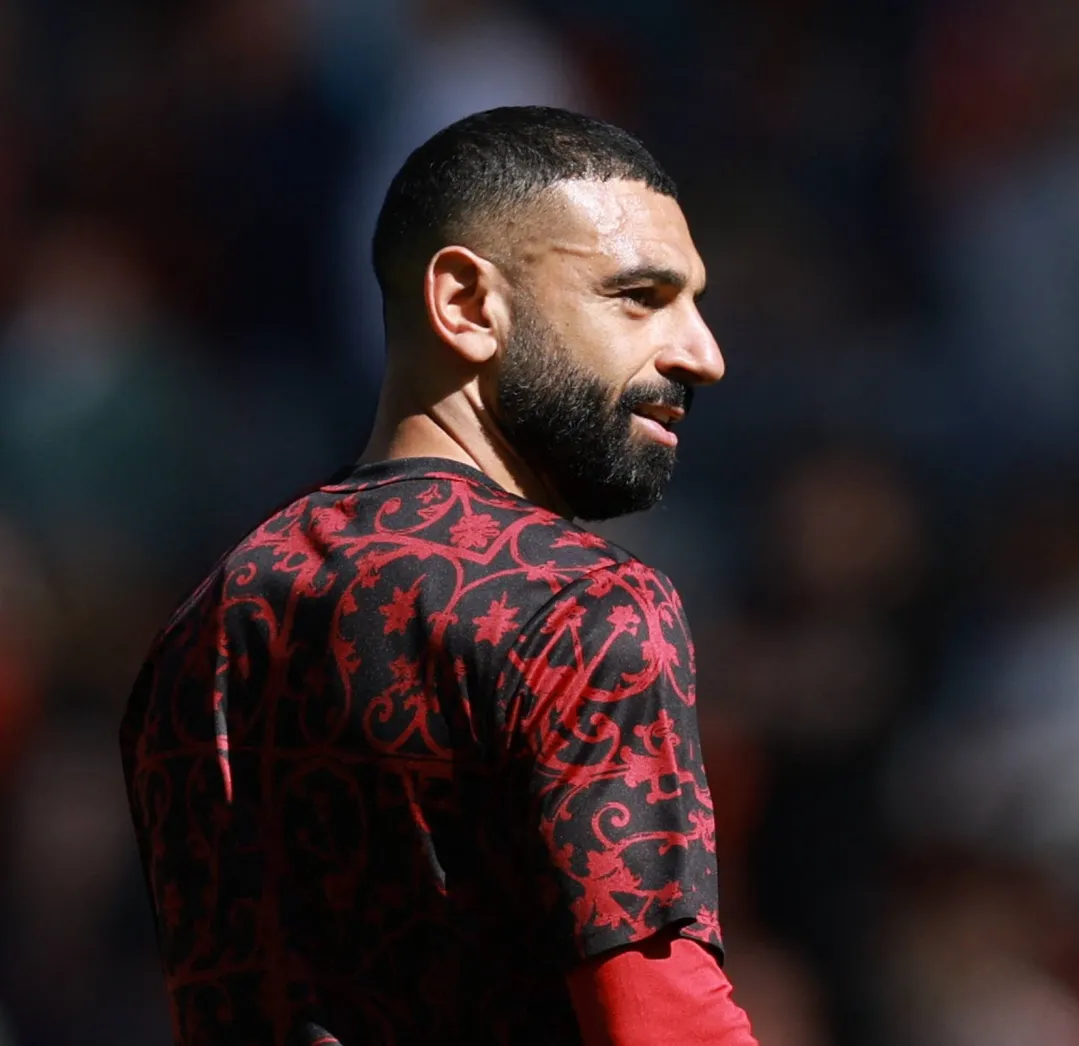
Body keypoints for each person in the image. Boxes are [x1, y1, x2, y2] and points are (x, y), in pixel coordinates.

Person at [120, 106, 757, 1046]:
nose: (703, 353)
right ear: (465, 302)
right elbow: (662, 1020)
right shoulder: (580, 609)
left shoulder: (205, 625)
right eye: (639, 295)